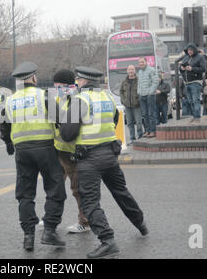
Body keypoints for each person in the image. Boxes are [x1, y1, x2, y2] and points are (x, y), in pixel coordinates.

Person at [59, 66, 147, 259]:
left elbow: (67, 135)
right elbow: (114, 120)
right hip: (109, 155)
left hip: (89, 159)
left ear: (82, 81)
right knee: (121, 192)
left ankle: (107, 241)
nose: (76, 83)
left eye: (77, 80)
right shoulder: (107, 97)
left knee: (90, 203)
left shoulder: (79, 100)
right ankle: (141, 224)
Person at [0, 62, 67, 251]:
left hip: (22, 151)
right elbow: (61, 121)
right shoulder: (44, 95)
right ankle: (50, 231)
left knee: (25, 193)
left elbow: (4, 126)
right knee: (55, 188)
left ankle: (28, 236)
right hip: (45, 148)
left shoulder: (10, 100)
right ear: (34, 78)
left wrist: (8, 144)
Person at [53, 69, 90, 233]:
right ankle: (51, 219)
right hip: (58, 150)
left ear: (67, 85)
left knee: (77, 189)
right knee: (54, 187)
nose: (55, 86)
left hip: (72, 152)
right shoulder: (58, 98)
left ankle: (84, 221)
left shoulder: (76, 98)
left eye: (58, 84)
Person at [179, 43, 207, 124]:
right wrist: (181, 68)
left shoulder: (200, 57)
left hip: (196, 82)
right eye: (188, 50)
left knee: (195, 100)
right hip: (187, 82)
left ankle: (197, 117)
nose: (190, 52)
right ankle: (194, 116)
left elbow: (203, 69)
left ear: (194, 50)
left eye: (191, 50)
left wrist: (192, 68)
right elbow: (180, 68)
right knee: (190, 101)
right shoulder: (186, 57)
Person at [119, 65, 143, 145]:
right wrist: (123, 101)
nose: (131, 71)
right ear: (127, 71)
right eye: (129, 70)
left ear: (135, 71)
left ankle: (140, 138)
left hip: (137, 106)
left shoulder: (139, 80)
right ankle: (132, 139)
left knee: (139, 123)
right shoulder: (124, 82)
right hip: (127, 106)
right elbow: (121, 91)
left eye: (132, 69)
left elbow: (142, 91)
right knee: (129, 124)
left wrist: (138, 101)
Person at [137, 57, 158, 138]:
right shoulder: (140, 72)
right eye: (139, 62)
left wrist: (150, 92)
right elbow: (139, 84)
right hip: (142, 95)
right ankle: (147, 131)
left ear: (146, 62)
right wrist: (139, 92)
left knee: (151, 114)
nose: (141, 64)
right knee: (144, 115)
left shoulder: (151, 70)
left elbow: (155, 82)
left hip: (150, 95)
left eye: (142, 62)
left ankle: (153, 131)